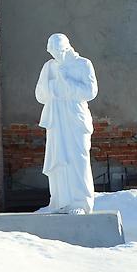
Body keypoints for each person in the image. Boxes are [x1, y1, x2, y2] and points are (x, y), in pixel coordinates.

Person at [35, 33, 98, 214]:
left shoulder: (83, 64)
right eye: (52, 52)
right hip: (56, 117)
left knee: (78, 158)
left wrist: (67, 81)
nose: (55, 56)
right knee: (59, 159)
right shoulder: (49, 67)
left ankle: (80, 203)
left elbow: (90, 92)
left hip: (75, 116)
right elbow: (40, 95)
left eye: (58, 51)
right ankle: (59, 202)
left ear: (67, 48)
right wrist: (53, 86)